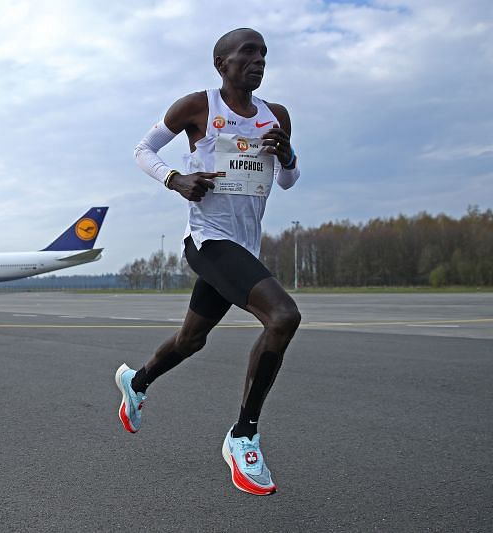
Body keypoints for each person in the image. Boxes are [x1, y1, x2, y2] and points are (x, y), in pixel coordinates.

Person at [116, 28, 301, 496]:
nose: (258, 61)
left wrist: (289, 155)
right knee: (283, 317)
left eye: (263, 54)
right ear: (222, 63)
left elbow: (288, 182)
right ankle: (244, 436)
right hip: (208, 240)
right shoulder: (198, 107)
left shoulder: (275, 116)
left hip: (244, 245)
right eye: (247, 53)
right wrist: (176, 179)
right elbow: (142, 150)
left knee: (191, 340)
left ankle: (136, 382)